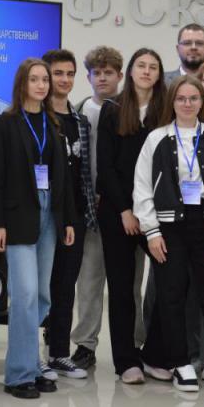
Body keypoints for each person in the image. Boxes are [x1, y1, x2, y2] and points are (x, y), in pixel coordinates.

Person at [133, 75, 204, 393]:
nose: (187, 103)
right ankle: (179, 363)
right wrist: (151, 232)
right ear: (172, 102)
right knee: (171, 295)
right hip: (168, 227)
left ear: (201, 102)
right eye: (181, 98)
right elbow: (142, 186)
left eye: (193, 98)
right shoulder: (156, 138)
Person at [0, 58, 76, 399]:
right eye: (34, 79)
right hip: (18, 214)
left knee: (41, 296)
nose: (41, 85)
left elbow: (63, 176)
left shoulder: (53, 123)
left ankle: (30, 364)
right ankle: (19, 375)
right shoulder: (6, 123)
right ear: (22, 83)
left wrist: (67, 219)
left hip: (50, 212)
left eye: (44, 80)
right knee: (23, 294)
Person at [97, 47, 167, 384]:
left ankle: (154, 355)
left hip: (156, 213)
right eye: (141, 65)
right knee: (122, 288)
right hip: (119, 213)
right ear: (131, 71)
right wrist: (126, 210)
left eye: (153, 66)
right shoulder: (112, 110)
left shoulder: (166, 111)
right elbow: (106, 167)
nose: (147, 71)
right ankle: (126, 361)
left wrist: (149, 214)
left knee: (169, 282)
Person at [71, 46, 129, 369]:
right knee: (89, 281)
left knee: (129, 285)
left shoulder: (128, 111)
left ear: (120, 75)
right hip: (89, 211)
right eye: (97, 73)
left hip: (122, 210)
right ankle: (85, 344)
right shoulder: (79, 112)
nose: (103, 78)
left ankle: (134, 343)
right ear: (89, 76)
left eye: (109, 72)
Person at [41, 49, 96, 379]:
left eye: (69, 74)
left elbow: (84, 173)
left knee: (64, 287)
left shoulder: (80, 122)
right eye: (57, 73)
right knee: (38, 288)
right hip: (43, 214)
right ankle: (29, 355)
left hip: (74, 216)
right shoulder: (35, 118)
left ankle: (59, 353)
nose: (64, 80)